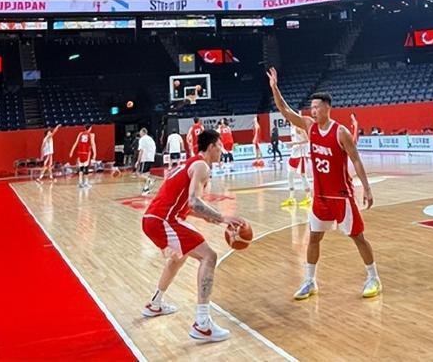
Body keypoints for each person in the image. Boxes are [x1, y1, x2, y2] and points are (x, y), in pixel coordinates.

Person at [267, 67, 382, 300]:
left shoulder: (340, 132)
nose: (313, 110)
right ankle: (310, 281)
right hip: (320, 196)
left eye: (317, 107)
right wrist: (275, 88)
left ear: (327, 108)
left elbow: (356, 160)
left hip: (341, 195)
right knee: (314, 237)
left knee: (358, 237)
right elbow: (284, 110)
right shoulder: (309, 126)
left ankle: (373, 278)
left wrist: (367, 189)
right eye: (312, 107)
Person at [141, 129, 246, 342]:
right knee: (209, 256)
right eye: (220, 145)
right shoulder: (201, 166)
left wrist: (210, 219)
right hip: (164, 220)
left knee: (178, 258)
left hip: (153, 218)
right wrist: (223, 217)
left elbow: (189, 206)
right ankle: (202, 324)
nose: (222, 150)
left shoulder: (191, 163)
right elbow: (194, 201)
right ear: (212, 146)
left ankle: (155, 304)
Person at [282, 120, 312, 207]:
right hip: (294, 154)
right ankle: (291, 198)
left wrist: (293, 143)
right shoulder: (291, 127)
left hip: (301, 155)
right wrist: (292, 144)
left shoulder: (298, 128)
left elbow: (307, 140)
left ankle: (308, 198)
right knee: (289, 175)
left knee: (303, 176)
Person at [69, 124, 96, 188]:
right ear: (90, 128)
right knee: (86, 168)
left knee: (81, 168)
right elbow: (93, 144)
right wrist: (95, 153)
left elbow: (76, 143)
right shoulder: (91, 135)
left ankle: (80, 183)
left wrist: (71, 151)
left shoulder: (80, 134)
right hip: (86, 152)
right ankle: (86, 183)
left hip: (80, 152)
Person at [135, 128, 157, 195]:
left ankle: (151, 179)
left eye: (140, 132)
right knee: (146, 174)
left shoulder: (142, 139)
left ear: (143, 132)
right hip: (151, 158)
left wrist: (138, 161)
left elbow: (141, 151)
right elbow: (154, 148)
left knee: (140, 174)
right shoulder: (151, 139)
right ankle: (146, 189)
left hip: (145, 158)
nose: (139, 134)